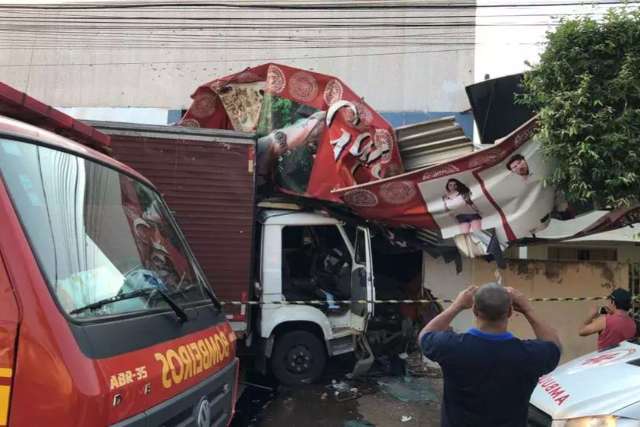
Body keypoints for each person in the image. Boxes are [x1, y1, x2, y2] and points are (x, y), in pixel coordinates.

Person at [418, 283, 561, 427]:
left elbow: (425, 335)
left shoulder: (452, 347)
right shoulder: (529, 355)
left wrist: (457, 306)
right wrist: (528, 309)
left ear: (474, 310)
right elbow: (554, 346)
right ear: (510, 312)